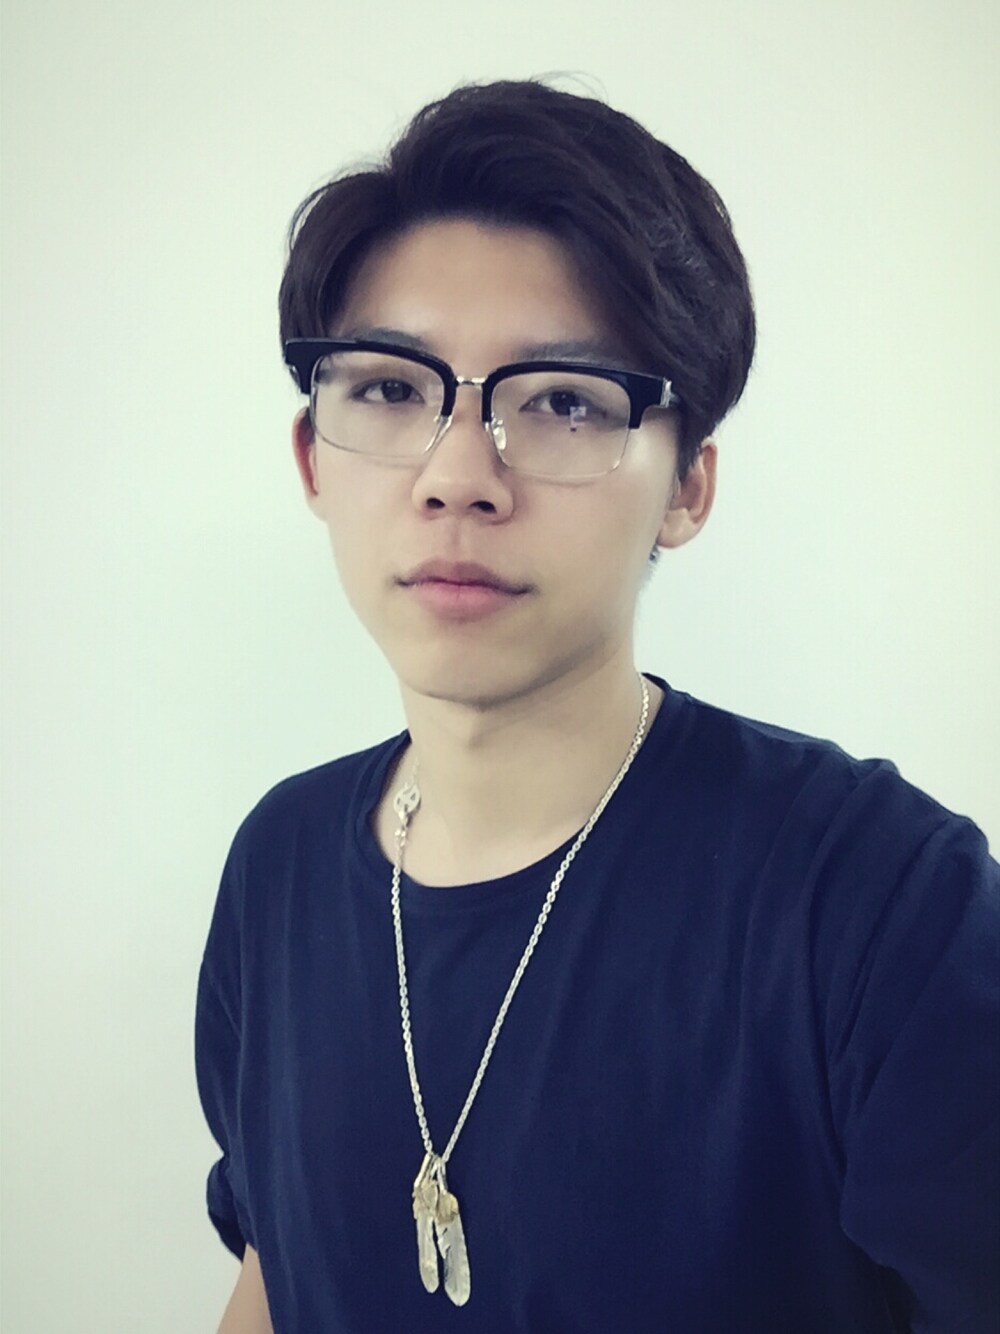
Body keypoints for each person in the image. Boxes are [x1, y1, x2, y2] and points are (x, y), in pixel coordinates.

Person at [195, 79, 999, 1333]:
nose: (457, 475)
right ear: (311, 456)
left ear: (686, 489)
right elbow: (274, 1270)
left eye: (563, 400)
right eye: (392, 389)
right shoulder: (278, 866)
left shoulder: (881, 899)